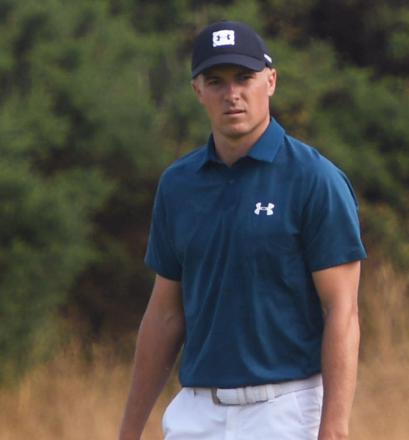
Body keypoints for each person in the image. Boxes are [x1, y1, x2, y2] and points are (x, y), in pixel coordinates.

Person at [118, 20, 367, 440]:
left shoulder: (313, 179)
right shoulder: (178, 185)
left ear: (270, 81)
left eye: (244, 78)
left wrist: (334, 429)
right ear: (198, 91)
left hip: (286, 410)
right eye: (216, 81)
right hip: (196, 414)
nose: (232, 94)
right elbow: (164, 315)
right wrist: (128, 433)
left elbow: (342, 310)